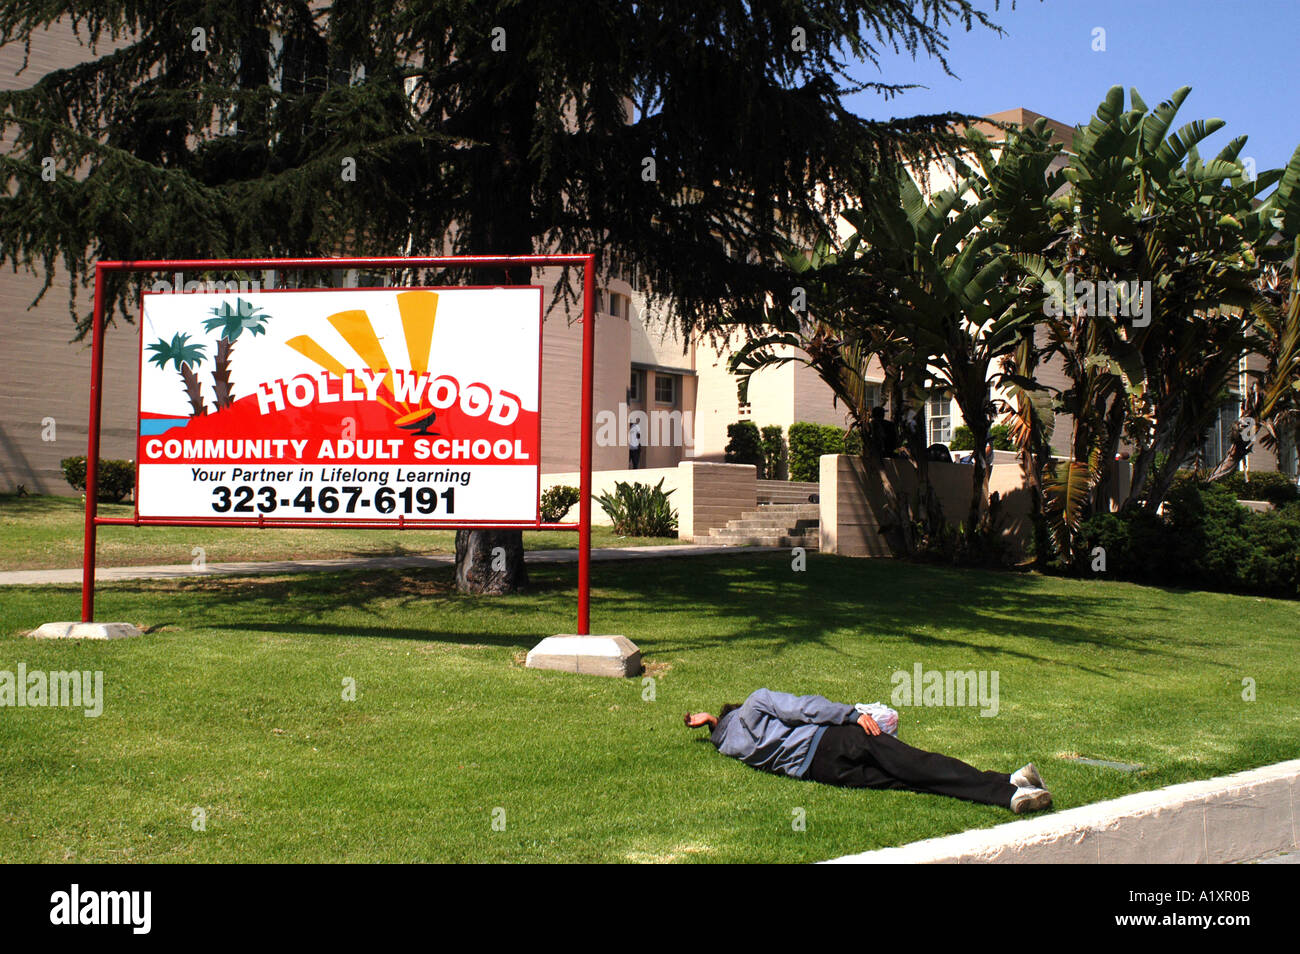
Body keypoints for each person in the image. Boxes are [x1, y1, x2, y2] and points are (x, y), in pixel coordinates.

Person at [684, 688, 1052, 813]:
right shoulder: (755, 702)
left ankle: (1009, 786)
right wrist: (852, 714)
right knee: (916, 763)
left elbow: (722, 731)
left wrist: (712, 725)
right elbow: (804, 708)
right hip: (835, 740)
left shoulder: (729, 746)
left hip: (823, 772)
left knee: (913, 781)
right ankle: (1007, 789)